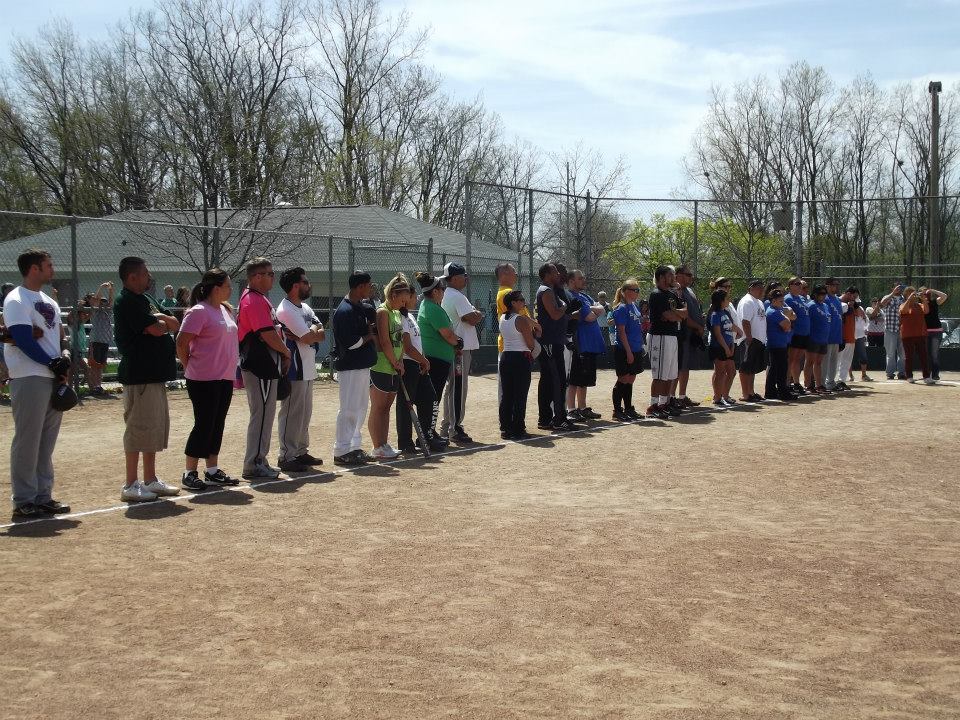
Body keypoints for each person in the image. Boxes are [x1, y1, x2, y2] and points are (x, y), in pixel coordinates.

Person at [4, 249, 73, 518]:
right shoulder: (16, 299)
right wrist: (50, 362)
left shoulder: (48, 300)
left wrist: (64, 356)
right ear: (34, 269)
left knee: (46, 442)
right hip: (29, 375)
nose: (52, 269)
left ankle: (43, 495)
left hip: (52, 375)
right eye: (48, 265)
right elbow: (22, 338)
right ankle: (23, 500)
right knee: (28, 440)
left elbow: (60, 334)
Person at [113, 256, 182, 502]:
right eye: (144, 273)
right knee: (138, 428)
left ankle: (150, 479)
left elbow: (172, 323)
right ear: (132, 277)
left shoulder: (146, 299)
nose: (148, 276)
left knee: (153, 427)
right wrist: (162, 321)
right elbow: (156, 328)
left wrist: (162, 320)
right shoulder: (127, 301)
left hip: (154, 376)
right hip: (139, 376)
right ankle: (131, 484)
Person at [175, 268, 241, 491]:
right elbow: (181, 343)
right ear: (216, 288)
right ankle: (189, 472)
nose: (231, 289)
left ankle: (212, 470)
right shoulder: (198, 311)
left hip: (224, 377)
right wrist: (189, 366)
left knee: (217, 423)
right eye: (228, 286)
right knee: (203, 424)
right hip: (203, 378)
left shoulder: (225, 309)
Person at [237, 258, 292, 480]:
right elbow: (267, 333)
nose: (272, 277)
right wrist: (286, 352)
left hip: (266, 364)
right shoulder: (253, 300)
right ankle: (253, 463)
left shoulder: (260, 299)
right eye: (269, 273)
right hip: (260, 365)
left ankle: (260, 458)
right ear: (256, 277)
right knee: (261, 414)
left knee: (265, 413)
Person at [276, 267, 326, 472]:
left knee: (305, 413)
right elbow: (307, 337)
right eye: (305, 282)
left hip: (307, 366)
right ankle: (286, 455)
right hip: (294, 367)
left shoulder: (305, 308)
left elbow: (321, 332)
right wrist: (310, 334)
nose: (309, 285)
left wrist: (310, 333)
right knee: (291, 413)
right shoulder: (285, 310)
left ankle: (300, 451)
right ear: (296, 286)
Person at [332, 271, 378, 465]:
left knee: (360, 407)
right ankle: (341, 450)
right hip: (350, 366)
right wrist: (370, 336)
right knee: (349, 408)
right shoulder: (344, 311)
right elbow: (350, 343)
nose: (370, 288)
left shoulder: (361, 307)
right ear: (359, 287)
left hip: (362, 365)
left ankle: (354, 447)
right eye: (368, 285)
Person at [415, 272, 461, 446]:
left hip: (438, 359)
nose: (443, 291)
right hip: (435, 360)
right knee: (432, 399)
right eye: (441, 289)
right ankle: (426, 435)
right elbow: (448, 335)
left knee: (434, 398)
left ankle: (429, 432)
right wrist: (458, 343)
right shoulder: (433, 308)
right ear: (434, 292)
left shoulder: (430, 305)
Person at [439, 262, 482, 443]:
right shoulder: (457, 296)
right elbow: (472, 319)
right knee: (458, 388)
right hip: (459, 349)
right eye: (463, 276)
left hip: (453, 347)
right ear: (454, 278)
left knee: (452, 388)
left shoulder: (448, 294)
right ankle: (454, 428)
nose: (466, 278)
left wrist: (474, 313)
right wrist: (478, 313)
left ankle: (447, 425)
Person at [368, 274, 409, 460]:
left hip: (394, 366)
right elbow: (385, 341)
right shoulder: (382, 312)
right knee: (378, 407)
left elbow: (399, 341)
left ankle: (384, 444)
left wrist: (400, 361)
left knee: (387, 408)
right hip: (381, 366)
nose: (404, 304)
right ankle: (377, 447)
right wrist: (394, 361)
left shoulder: (396, 313)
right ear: (393, 295)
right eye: (401, 300)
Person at [396, 281, 439, 454]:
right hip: (408, 364)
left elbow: (416, 344)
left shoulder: (410, 316)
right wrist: (424, 360)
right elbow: (407, 347)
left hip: (418, 363)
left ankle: (425, 437)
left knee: (430, 398)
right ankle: (405, 442)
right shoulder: (401, 317)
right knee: (406, 405)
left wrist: (423, 360)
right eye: (413, 296)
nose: (416, 298)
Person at [535, 263, 578, 431]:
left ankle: (546, 419)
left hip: (554, 341)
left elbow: (557, 315)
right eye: (554, 271)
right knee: (556, 380)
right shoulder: (546, 291)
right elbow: (554, 314)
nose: (558, 273)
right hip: (549, 342)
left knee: (549, 380)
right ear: (546, 274)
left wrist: (567, 313)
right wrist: (566, 308)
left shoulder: (550, 290)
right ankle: (557, 418)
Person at [647, 265, 688, 419]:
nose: (674, 278)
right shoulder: (657, 295)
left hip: (671, 336)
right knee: (659, 375)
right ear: (662, 277)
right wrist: (676, 314)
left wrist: (676, 314)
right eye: (670, 275)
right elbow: (668, 316)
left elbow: (684, 313)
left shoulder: (671, 295)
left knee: (670, 374)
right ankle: (653, 406)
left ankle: (663, 404)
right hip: (660, 336)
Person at [566, 269, 605, 421]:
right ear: (571, 281)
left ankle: (582, 408)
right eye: (580, 278)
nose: (583, 280)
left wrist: (593, 309)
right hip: (580, 343)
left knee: (584, 379)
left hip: (591, 345)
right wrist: (594, 311)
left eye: (583, 278)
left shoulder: (585, 296)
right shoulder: (570, 296)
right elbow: (589, 317)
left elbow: (601, 308)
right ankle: (571, 409)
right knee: (575, 379)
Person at [498, 289, 536, 439]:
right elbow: (530, 343)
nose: (523, 302)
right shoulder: (520, 319)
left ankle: (506, 428)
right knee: (520, 395)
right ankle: (518, 428)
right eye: (520, 300)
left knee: (507, 395)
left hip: (506, 357)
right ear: (513, 303)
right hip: (520, 358)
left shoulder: (503, 317)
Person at [610, 279, 644, 421]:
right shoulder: (621, 308)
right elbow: (622, 332)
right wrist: (629, 352)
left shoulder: (634, 306)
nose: (636, 292)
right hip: (624, 349)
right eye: (633, 290)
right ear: (624, 292)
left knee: (631, 378)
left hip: (636, 348)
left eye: (637, 290)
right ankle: (617, 410)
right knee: (623, 379)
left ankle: (629, 408)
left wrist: (639, 347)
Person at [675, 264, 703, 409]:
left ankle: (682, 396)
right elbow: (683, 315)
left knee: (685, 367)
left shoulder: (689, 290)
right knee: (678, 367)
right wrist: (697, 326)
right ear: (678, 275)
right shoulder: (676, 291)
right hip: (681, 334)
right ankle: (671, 398)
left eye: (691, 275)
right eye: (688, 274)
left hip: (691, 334)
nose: (691, 277)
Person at [736, 279, 769, 402]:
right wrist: (749, 337)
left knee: (752, 368)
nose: (761, 290)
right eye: (758, 287)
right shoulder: (747, 301)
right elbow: (745, 321)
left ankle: (751, 392)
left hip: (758, 340)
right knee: (745, 367)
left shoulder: (759, 302)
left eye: (762, 287)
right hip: (749, 339)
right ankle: (746, 394)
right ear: (751, 288)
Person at [707, 288, 736, 408]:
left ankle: (725, 395)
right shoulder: (715, 314)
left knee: (731, 371)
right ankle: (718, 398)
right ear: (721, 300)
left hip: (728, 345)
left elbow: (731, 329)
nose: (729, 300)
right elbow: (718, 334)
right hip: (719, 347)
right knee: (720, 372)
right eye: (727, 298)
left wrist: (732, 345)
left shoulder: (726, 312)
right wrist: (725, 348)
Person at [764, 290, 795, 401]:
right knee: (780, 369)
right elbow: (787, 326)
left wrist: (787, 318)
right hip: (776, 344)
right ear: (773, 300)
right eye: (780, 301)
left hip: (779, 343)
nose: (783, 303)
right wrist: (787, 318)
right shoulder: (774, 312)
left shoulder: (778, 311)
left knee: (776, 369)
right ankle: (782, 392)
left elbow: (792, 318)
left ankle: (771, 391)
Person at [87, 281, 114, 395]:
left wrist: (111, 290)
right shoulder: (95, 311)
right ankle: (94, 386)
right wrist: (101, 287)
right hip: (96, 339)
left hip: (104, 340)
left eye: (104, 301)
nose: (103, 303)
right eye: (101, 301)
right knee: (94, 365)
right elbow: (94, 301)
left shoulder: (107, 311)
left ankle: (98, 386)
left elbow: (111, 301)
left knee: (101, 365)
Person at [899, 287, 932, 384]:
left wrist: (923, 299)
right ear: (906, 295)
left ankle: (926, 376)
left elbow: (926, 311)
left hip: (920, 334)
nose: (913, 295)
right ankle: (909, 376)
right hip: (907, 335)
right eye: (910, 293)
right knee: (909, 356)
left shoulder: (919, 305)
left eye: (913, 293)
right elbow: (904, 311)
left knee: (923, 356)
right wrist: (909, 299)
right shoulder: (902, 305)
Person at [784, 277, 810, 395]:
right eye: (797, 284)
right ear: (790, 286)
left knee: (798, 359)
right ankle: (787, 384)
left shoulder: (802, 299)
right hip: (794, 333)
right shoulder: (788, 299)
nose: (800, 286)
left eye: (801, 285)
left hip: (804, 333)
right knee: (791, 359)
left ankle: (796, 383)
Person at [805, 285, 831, 394]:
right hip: (813, 338)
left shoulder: (825, 306)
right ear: (815, 294)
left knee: (819, 362)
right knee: (810, 362)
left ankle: (819, 385)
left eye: (824, 293)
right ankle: (808, 385)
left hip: (823, 339)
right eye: (821, 293)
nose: (823, 295)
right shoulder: (811, 306)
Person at [836, 287, 864, 389]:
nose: (854, 299)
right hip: (841, 337)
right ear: (848, 293)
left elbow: (860, 314)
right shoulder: (837, 302)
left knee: (846, 361)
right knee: (836, 361)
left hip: (851, 337)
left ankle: (841, 381)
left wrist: (853, 305)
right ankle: (831, 381)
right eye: (853, 296)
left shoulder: (852, 305)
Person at [921, 287, 949, 381]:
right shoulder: (920, 305)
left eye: (927, 293)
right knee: (926, 354)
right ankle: (927, 374)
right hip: (925, 331)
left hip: (936, 331)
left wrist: (932, 290)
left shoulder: (934, 302)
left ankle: (935, 374)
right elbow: (925, 311)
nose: (926, 295)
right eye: (924, 294)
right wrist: (921, 297)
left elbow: (944, 296)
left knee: (934, 354)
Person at [879, 284, 906, 380]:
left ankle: (902, 372)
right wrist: (892, 293)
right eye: (896, 287)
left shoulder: (904, 299)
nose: (899, 289)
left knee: (902, 353)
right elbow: (882, 303)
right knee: (890, 353)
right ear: (892, 288)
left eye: (900, 288)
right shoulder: (888, 297)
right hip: (890, 329)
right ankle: (890, 373)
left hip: (902, 330)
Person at [822, 277, 844, 391]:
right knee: (825, 362)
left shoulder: (837, 300)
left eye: (837, 285)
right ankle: (822, 384)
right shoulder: (825, 299)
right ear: (828, 286)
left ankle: (831, 382)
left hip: (836, 335)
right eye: (834, 284)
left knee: (834, 362)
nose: (836, 287)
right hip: (828, 336)